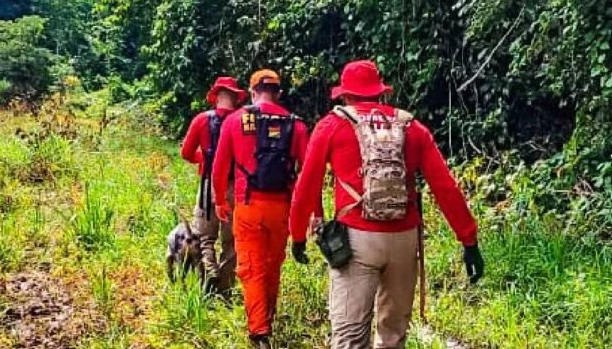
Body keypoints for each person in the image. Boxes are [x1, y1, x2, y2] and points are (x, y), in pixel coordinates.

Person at [289, 60, 485, 349]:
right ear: (381, 92)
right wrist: (469, 240)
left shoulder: (331, 126)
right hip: (404, 241)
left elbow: (306, 186)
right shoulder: (412, 127)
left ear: (345, 96)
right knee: (393, 337)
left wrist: (297, 235)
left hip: (356, 241)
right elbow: (446, 188)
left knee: (349, 339)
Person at [212, 69, 309, 349]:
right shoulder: (296, 125)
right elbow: (308, 174)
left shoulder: (235, 120)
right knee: (272, 263)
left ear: (253, 92)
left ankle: (259, 332)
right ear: (278, 93)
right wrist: (313, 212)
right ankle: (268, 315)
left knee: (250, 268)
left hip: (247, 204)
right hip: (282, 208)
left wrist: (220, 200)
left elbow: (219, 169)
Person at [180, 76, 245, 297]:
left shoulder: (201, 120)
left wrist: (206, 161)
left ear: (215, 96)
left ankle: (209, 272)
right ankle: (225, 290)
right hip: (235, 188)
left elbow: (186, 153)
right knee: (232, 240)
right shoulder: (242, 121)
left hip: (208, 185)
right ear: (236, 98)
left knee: (202, 236)